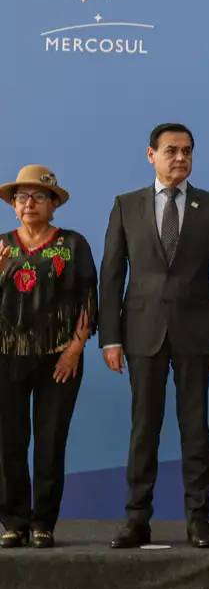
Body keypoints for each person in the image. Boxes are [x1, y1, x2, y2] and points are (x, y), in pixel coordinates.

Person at [99, 123, 209, 549]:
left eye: (188, 151)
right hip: (141, 333)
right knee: (144, 429)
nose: (181, 158)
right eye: (172, 150)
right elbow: (111, 276)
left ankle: (198, 520)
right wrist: (110, 338)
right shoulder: (126, 205)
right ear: (151, 155)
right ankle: (137, 519)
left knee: (195, 429)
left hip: (197, 334)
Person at [0, 166, 95, 548]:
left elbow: (89, 297)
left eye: (39, 196)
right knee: (9, 441)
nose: (29, 203)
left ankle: (43, 522)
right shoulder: (2, 245)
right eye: (21, 197)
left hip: (59, 358)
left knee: (51, 441)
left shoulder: (72, 244)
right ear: (12, 205)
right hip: (6, 357)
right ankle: (12, 521)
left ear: (54, 204)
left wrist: (75, 348)